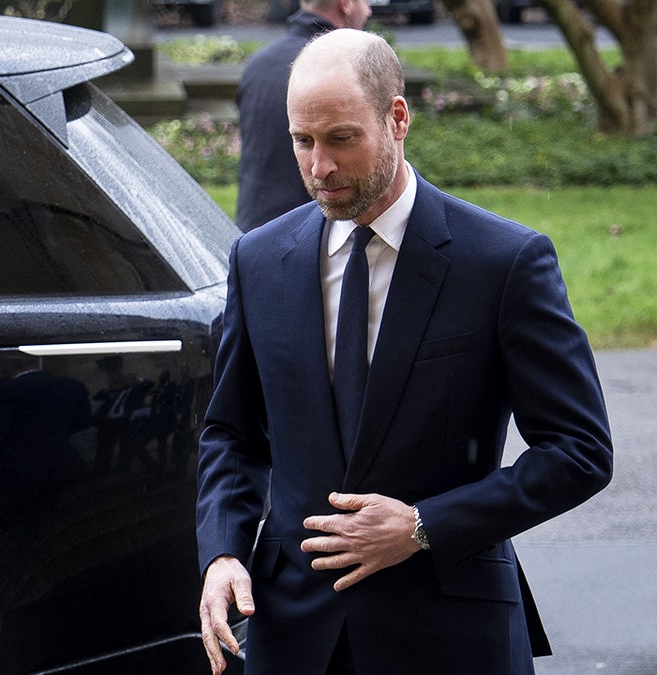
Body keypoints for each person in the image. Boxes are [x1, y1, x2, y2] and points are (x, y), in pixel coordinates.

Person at [196, 29, 612, 675]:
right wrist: (222, 551)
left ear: (397, 118)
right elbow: (232, 433)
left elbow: (579, 452)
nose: (319, 167)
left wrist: (423, 525)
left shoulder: (503, 261)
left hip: (450, 629)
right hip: (294, 631)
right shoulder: (259, 258)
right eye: (302, 141)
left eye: (340, 139)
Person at [234, 0, 370, 233]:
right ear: (346, 4)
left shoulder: (259, 64)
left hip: (252, 230)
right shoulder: (344, 70)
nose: (369, 10)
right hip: (309, 239)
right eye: (365, 1)